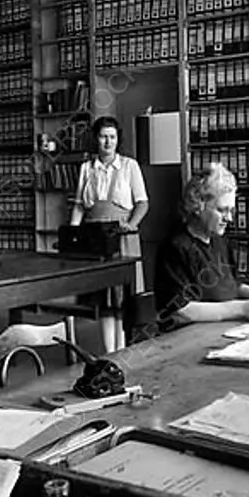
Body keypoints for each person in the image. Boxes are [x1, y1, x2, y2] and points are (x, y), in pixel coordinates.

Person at [154, 162, 249, 330]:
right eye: (222, 210)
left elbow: (231, 286)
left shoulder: (218, 240)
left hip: (223, 329)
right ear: (198, 206)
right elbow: (180, 311)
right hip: (189, 337)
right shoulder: (175, 247)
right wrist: (243, 308)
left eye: (232, 211)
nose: (229, 218)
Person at [70, 116, 149, 350]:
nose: (108, 142)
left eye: (112, 137)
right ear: (96, 139)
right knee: (104, 299)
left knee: (122, 297)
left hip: (123, 236)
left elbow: (142, 203)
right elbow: (79, 206)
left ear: (118, 139)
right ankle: (109, 353)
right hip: (96, 238)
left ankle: (123, 350)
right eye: (103, 136)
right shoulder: (86, 168)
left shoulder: (129, 166)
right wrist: (73, 235)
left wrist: (132, 224)